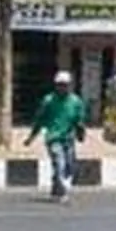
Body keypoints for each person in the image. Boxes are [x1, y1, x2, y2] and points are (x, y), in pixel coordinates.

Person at [27, 69, 89, 201]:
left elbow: (79, 121)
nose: (62, 87)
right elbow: (39, 120)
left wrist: (81, 134)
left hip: (68, 138)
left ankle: (56, 189)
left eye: (65, 85)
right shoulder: (48, 101)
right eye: (60, 84)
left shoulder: (76, 102)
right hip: (53, 138)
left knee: (69, 165)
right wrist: (31, 137)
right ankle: (63, 191)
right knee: (59, 163)